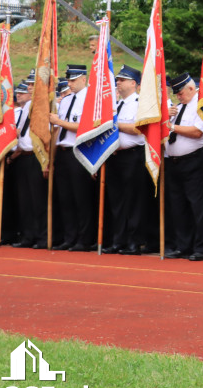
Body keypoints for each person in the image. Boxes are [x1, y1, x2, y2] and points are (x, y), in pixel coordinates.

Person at [163, 73, 203, 260]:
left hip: (195, 160)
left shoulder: (201, 105)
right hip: (174, 162)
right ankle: (182, 245)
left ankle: (201, 248)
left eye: (181, 93)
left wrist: (171, 127)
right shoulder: (178, 108)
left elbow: (197, 132)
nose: (178, 96)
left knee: (198, 206)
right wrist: (166, 119)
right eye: (176, 93)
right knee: (178, 206)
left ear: (191, 88)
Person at [49, 64, 97, 252]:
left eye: (74, 80)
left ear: (84, 79)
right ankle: (70, 237)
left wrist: (59, 121)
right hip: (62, 151)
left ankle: (84, 239)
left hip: (79, 152)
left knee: (81, 198)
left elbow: (86, 127)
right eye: (68, 80)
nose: (70, 83)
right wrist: (52, 159)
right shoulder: (66, 100)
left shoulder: (90, 100)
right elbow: (56, 131)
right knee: (65, 198)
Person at [105, 65, 149, 255]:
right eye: (118, 80)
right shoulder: (116, 104)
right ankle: (119, 240)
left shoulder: (140, 102)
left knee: (133, 201)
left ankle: (134, 241)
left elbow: (139, 128)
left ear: (134, 83)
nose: (118, 82)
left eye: (122, 80)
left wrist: (115, 124)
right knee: (117, 201)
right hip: (115, 156)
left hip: (133, 156)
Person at [10, 80, 46, 249]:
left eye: (32, 85)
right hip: (22, 157)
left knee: (37, 200)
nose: (29, 88)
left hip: (36, 157)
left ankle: (42, 237)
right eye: (28, 85)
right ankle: (28, 236)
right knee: (24, 200)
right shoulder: (26, 107)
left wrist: (47, 162)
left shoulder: (43, 105)